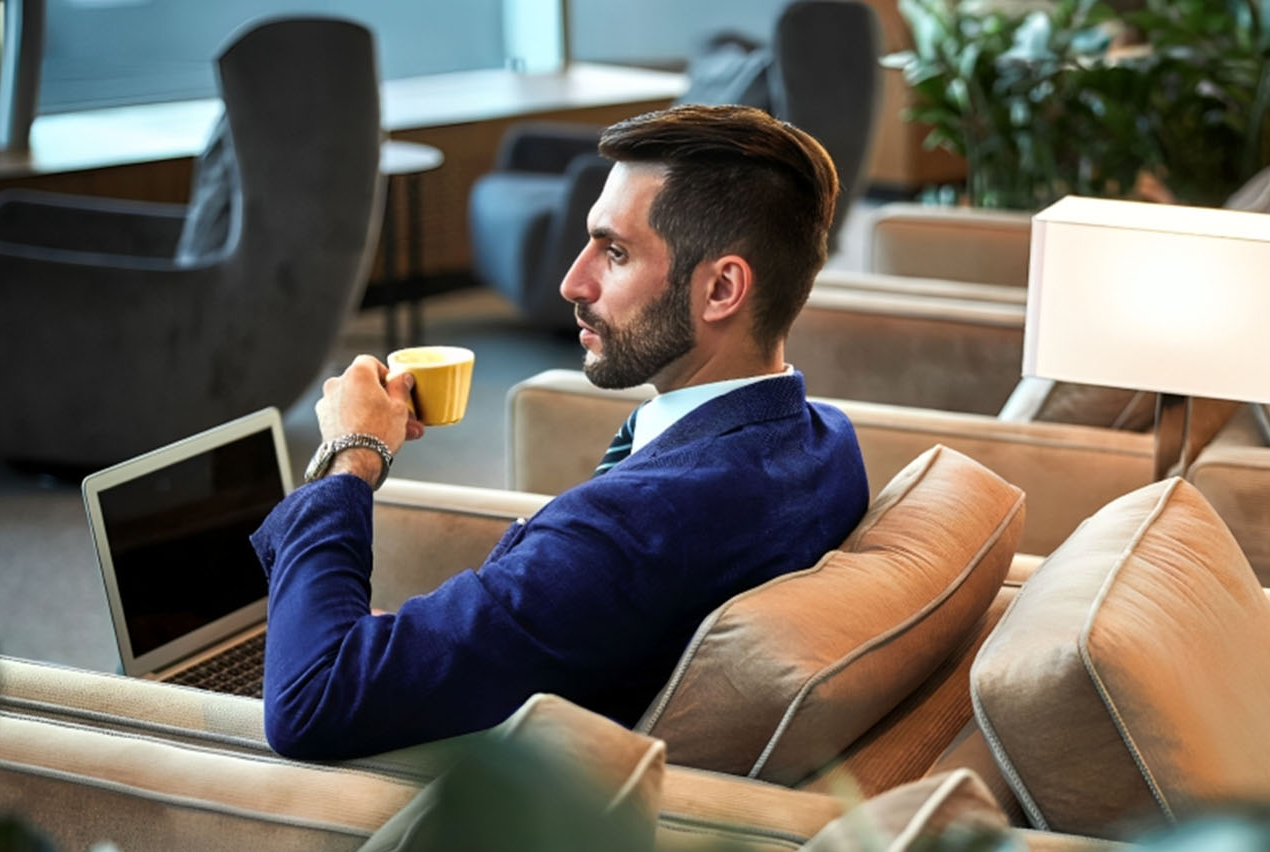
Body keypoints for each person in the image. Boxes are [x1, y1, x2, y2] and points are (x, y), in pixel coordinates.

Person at [250, 104, 869, 760]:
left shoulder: (638, 528)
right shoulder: (823, 441)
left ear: (721, 289)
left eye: (616, 252)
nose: (573, 280)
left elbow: (309, 700)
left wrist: (355, 453)